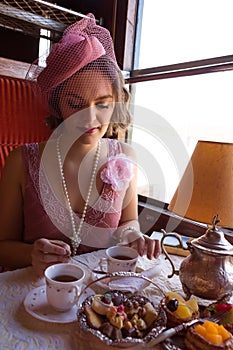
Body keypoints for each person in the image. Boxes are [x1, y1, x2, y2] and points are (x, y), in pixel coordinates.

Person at [0, 13, 161, 277]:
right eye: (75, 104)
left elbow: (127, 221)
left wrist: (133, 234)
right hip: (33, 295)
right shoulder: (21, 161)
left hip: (100, 295)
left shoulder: (125, 157)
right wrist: (31, 255)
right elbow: (2, 246)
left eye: (102, 104)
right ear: (57, 103)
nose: (89, 118)